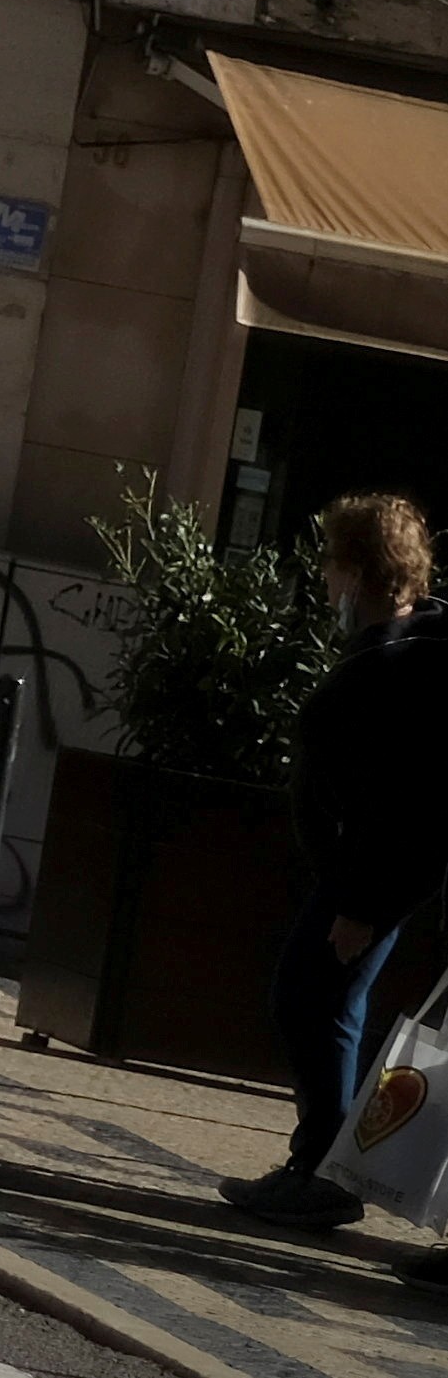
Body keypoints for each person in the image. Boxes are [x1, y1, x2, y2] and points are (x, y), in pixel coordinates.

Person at [229, 488, 448, 1224]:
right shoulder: (415, 648)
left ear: (354, 571)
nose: (323, 579)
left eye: (328, 563)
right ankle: (321, 1168)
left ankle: (320, 1172)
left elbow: (409, 809)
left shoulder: (392, 668)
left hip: (369, 872)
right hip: (370, 870)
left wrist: (362, 905)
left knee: (307, 997)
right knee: (323, 1000)